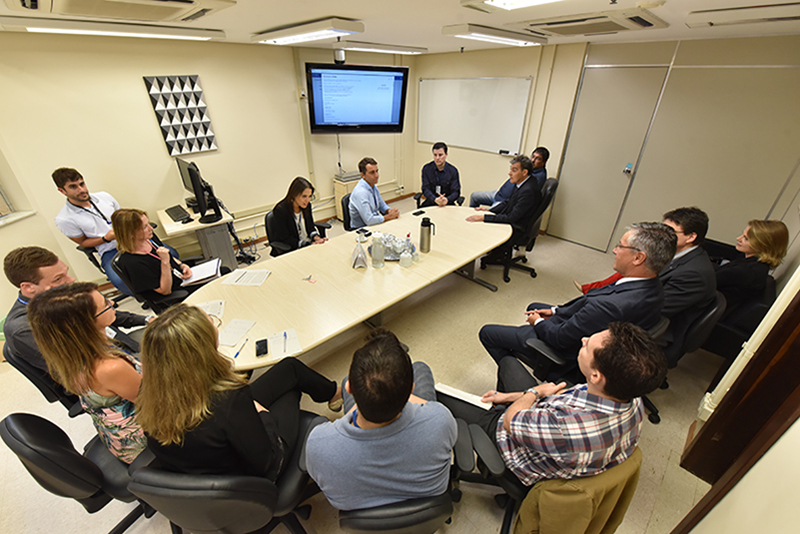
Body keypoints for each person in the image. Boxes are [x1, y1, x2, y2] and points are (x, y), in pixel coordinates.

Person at [438, 322, 667, 487]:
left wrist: (533, 392)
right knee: (509, 363)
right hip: (546, 424)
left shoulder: (567, 429)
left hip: (514, 445)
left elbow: (510, 421)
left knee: (438, 397)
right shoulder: (631, 398)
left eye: (588, 346)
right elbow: (569, 396)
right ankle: (503, 404)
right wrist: (511, 397)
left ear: (596, 376)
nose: (583, 340)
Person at [136, 304, 343, 481]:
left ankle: (333, 393)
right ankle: (335, 396)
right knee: (290, 389)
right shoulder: (229, 400)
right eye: (212, 325)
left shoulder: (151, 391)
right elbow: (267, 461)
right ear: (200, 349)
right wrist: (262, 413)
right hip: (256, 477)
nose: (216, 328)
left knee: (289, 369)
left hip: (206, 461)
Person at [479, 222, 675, 371]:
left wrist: (538, 322)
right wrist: (555, 311)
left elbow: (560, 338)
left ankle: (513, 374)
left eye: (620, 246)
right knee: (535, 304)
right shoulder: (652, 285)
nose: (615, 250)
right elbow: (589, 304)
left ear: (638, 258)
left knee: (487, 333)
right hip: (600, 332)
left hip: (568, 349)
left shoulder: (609, 306)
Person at [305, 329, 457, 511]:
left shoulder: (318, 444)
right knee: (421, 368)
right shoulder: (440, 419)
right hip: (426, 502)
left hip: (362, 517)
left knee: (352, 378)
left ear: (350, 388)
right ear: (411, 391)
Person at [27, 282, 146, 464]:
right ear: (87, 323)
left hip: (114, 435)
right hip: (144, 442)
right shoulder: (109, 367)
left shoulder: (69, 356)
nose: (113, 304)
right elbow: (158, 405)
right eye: (106, 303)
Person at [3, 246, 149, 375]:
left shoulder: (57, 296)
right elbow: (76, 370)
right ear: (28, 287)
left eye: (66, 272)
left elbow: (102, 312)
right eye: (58, 279)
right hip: (109, 371)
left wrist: (145, 320)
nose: (71, 280)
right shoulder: (23, 329)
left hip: (122, 348)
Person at [52, 167, 132, 296]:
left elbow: (123, 217)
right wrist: (106, 238)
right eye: (73, 187)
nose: (82, 190)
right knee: (119, 280)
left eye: (82, 184)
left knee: (170, 254)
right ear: (62, 191)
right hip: (110, 249)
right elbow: (83, 242)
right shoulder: (64, 219)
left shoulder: (104, 197)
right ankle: (150, 299)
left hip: (132, 240)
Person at [466, 155, 542, 261]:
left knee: (481, 225)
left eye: (514, 170)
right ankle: (495, 251)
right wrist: (490, 210)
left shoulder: (528, 191)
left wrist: (484, 218)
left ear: (524, 172)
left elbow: (511, 218)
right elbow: (508, 202)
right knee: (483, 219)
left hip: (516, 228)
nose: (509, 173)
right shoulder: (524, 182)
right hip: (515, 220)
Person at [112, 208, 194, 300]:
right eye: (144, 227)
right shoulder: (132, 263)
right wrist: (165, 262)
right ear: (130, 233)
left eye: (148, 224)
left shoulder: (149, 238)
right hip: (175, 293)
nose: (151, 228)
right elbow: (165, 291)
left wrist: (181, 265)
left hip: (182, 279)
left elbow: (168, 256)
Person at [715, 220, 788, 312]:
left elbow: (706, 280)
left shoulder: (747, 271)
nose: (738, 238)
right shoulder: (752, 262)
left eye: (746, 239)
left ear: (763, 245)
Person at [469, 146, 549, 208]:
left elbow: (521, 197)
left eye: (537, 159)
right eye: (533, 156)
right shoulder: (528, 168)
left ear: (544, 162)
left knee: (485, 216)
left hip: (504, 202)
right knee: (474, 196)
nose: (533, 160)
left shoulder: (538, 178)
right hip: (498, 194)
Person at [270, 176, 328, 257]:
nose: (307, 200)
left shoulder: (307, 206)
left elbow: (310, 227)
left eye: (310, 196)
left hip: (309, 245)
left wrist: (316, 237)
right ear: (294, 194)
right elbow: (286, 238)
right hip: (293, 249)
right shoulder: (281, 210)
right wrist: (308, 244)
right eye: (304, 196)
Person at [349, 157, 400, 229]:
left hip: (374, 224)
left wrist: (390, 211)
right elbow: (369, 220)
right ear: (363, 175)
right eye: (372, 172)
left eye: (377, 171)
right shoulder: (360, 192)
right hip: (363, 229)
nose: (377, 175)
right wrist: (388, 217)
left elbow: (381, 205)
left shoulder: (372, 186)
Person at [419, 142, 461, 208]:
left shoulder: (453, 171)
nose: (437, 158)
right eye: (435, 155)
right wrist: (435, 199)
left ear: (446, 155)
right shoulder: (426, 168)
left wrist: (447, 199)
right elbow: (425, 188)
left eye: (440, 155)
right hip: (431, 201)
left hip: (447, 202)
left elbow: (456, 192)